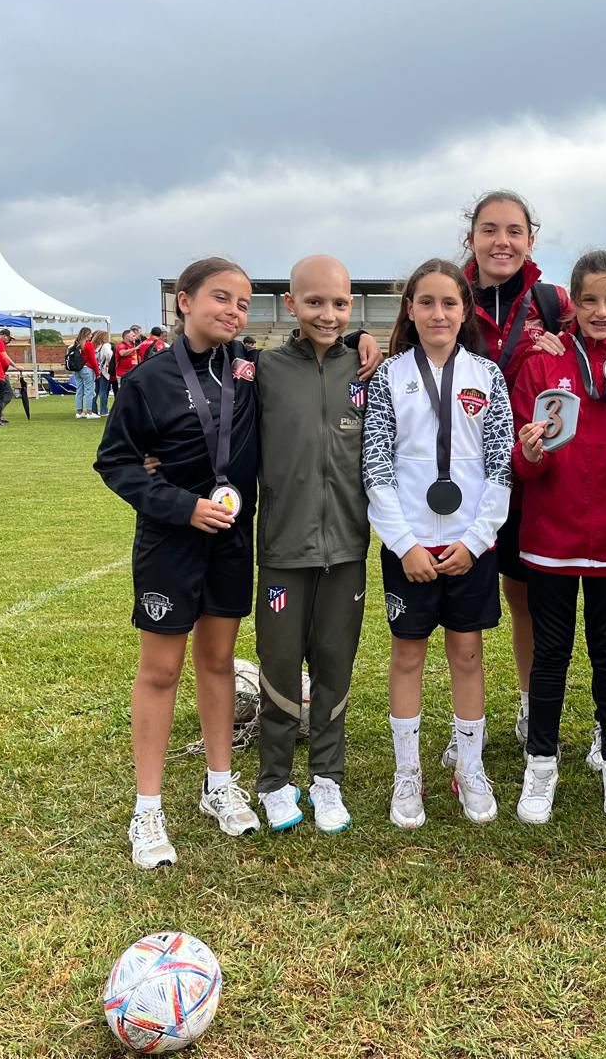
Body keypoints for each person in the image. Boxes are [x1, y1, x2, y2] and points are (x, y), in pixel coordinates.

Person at [94, 258, 264, 868]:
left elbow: (314, 359)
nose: (233, 311)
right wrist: (178, 505)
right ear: (184, 302)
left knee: (217, 662)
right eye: (221, 297)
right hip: (171, 540)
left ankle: (219, 785)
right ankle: (148, 808)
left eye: (242, 304)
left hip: (231, 539)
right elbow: (114, 462)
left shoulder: (251, 370)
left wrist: (361, 341)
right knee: (161, 670)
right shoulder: (147, 381)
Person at [510, 249, 606, 823]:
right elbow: (524, 465)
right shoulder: (542, 364)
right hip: (550, 537)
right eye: (591, 300)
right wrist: (528, 452)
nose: (602, 311)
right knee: (549, 656)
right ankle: (541, 763)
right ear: (573, 302)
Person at [363, 259, 513, 829]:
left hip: (469, 547)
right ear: (409, 310)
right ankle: (408, 774)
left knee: (468, 654)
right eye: (425, 302)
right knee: (407, 655)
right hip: (411, 547)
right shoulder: (389, 377)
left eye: (449, 303)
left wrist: (476, 541)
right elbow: (375, 465)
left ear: (465, 310)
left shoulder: (488, 376)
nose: (438, 313)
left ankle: (469, 768)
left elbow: (500, 466)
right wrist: (404, 544)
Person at [249, 255, 372, 833]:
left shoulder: (370, 369)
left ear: (352, 307)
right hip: (281, 550)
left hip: (346, 548)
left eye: (340, 303)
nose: (328, 314)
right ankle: (275, 780)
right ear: (292, 304)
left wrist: (369, 341)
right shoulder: (265, 370)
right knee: (278, 665)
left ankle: (328, 778)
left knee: (334, 665)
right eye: (315, 302)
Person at [457, 190, 572, 753]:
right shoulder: (448, 296)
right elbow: (405, 353)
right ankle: (465, 720)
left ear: (530, 239)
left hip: (533, 475)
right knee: (463, 597)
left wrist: (564, 347)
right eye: (489, 229)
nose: (501, 241)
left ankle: (532, 705)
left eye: (514, 231)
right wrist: (363, 342)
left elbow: (595, 357)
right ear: (472, 237)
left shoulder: (554, 302)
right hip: (461, 481)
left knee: (524, 595)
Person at [70, 327, 98, 419]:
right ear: (87, 335)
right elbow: (93, 360)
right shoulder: (89, 345)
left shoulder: (76, 344)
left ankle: (79, 412)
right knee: (89, 391)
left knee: (79, 391)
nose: (91, 336)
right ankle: (89, 412)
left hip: (77, 370)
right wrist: (97, 372)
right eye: (90, 334)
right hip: (87, 369)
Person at [93, 329, 113, 415]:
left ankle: (93, 410)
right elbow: (109, 354)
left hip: (95, 371)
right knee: (103, 391)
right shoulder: (106, 345)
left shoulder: (95, 346)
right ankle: (103, 410)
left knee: (95, 391)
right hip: (103, 371)